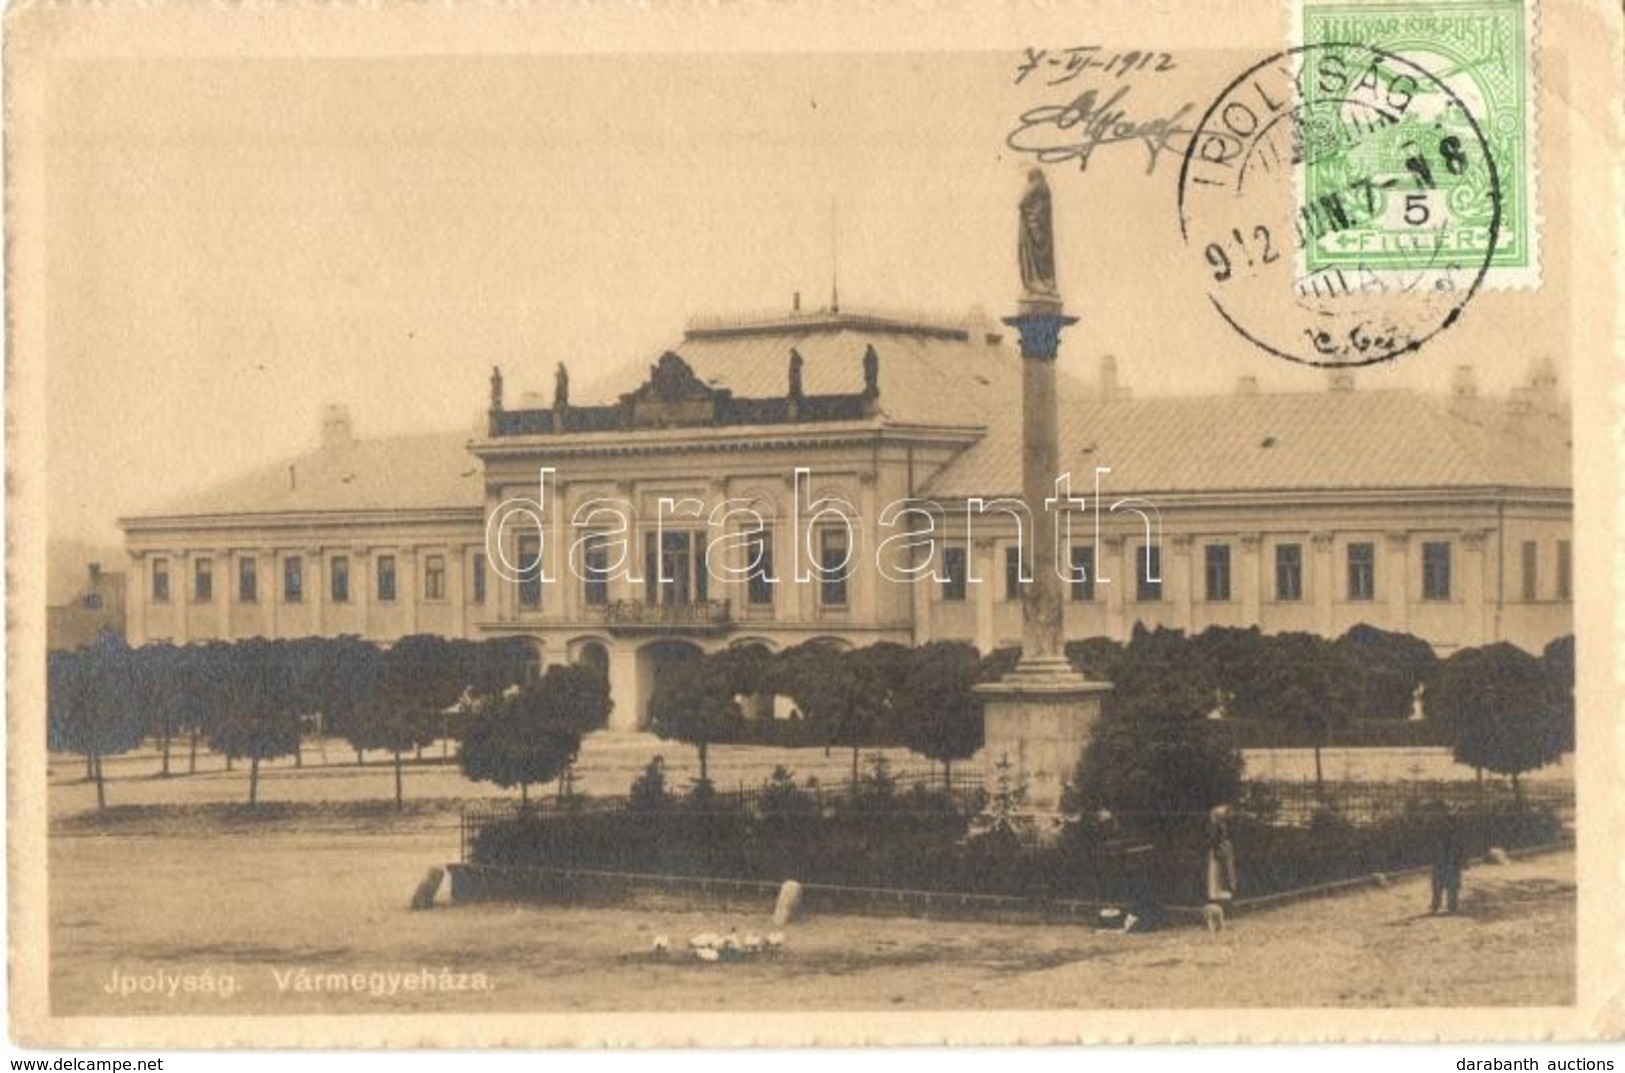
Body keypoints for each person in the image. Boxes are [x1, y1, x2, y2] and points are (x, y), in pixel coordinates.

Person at [1431, 807, 1467, 914]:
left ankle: (1449, 906)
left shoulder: (1456, 834)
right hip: (1444, 860)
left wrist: (1462, 861)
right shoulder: (1443, 832)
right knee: (1440, 884)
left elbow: (1460, 849)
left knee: (1450, 885)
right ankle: (1438, 905)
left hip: (1449, 861)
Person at [1205, 804, 1237, 903]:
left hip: (1222, 845)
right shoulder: (1217, 817)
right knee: (1216, 870)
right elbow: (1214, 836)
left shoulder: (1222, 823)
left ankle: (1229, 889)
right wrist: (1216, 849)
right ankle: (1216, 892)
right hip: (1218, 845)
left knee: (1226, 868)